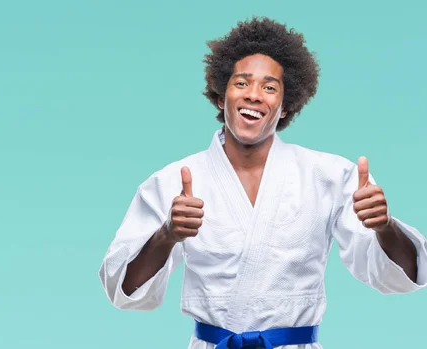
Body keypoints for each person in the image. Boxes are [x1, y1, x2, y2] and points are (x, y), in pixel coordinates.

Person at [98, 16, 427, 349]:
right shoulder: (173, 181)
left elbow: (401, 276)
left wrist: (385, 226)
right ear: (219, 95)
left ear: (284, 107)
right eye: (242, 83)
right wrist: (167, 235)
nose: (254, 95)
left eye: (269, 87)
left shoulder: (331, 176)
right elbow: (122, 288)